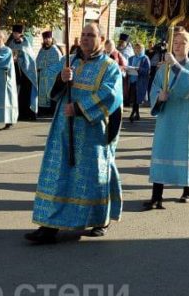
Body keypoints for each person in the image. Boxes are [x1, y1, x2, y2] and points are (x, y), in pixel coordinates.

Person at [25, 22, 123, 244]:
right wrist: (62, 78)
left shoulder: (109, 67)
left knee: (91, 177)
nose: (86, 39)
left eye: (91, 35)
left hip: (91, 132)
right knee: (58, 175)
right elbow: (51, 85)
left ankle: (99, 220)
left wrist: (80, 108)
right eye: (83, 35)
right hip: (63, 128)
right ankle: (49, 225)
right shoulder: (71, 61)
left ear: (101, 39)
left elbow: (111, 95)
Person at [144, 27, 189, 208]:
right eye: (176, 43)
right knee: (161, 151)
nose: (179, 46)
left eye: (183, 43)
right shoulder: (162, 69)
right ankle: (156, 196)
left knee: (186, 150)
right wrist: (159, 97)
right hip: (167, 116)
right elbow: (155, 87)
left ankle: (187, 189)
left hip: (186, 116)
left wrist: (175, 65)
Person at [6, 24, 38, 121]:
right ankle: (18, 113)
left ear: (21, 34)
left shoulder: (26, 44)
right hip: (15, 71)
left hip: (26, 73)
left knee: (26, 93)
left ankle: (29, 114)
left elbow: (30, 58)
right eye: (14, 33)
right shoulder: (11, 43)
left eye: (17, 33)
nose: (15, 35)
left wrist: (19, 57)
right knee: (16, 93)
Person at [35, 30, 63, 116]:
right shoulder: (42, 50)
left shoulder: (55, 50)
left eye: (48, 38)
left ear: (51, 39)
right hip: (43, 76)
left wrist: (47, 68)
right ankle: (43, 111)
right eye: (45, 39)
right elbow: (37, 61)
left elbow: (59, 63)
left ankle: (51, 112)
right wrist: (39, 67)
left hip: (52, 77)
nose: (46, 40)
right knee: (42, 94)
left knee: (50, 93)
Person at [125, 41, 151, 122]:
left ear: (142, 49)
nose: (137, 50)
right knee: (133, 98)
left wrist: (139, 69)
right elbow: (128, 66)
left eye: (139, 49)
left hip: (140, 81)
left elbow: (147, 70)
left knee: (137, 98)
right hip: (132, 80)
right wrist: (127, 69)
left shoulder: (145, 58)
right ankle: (137, 114)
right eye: (136, 48)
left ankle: (133, 114)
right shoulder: (131, 58)